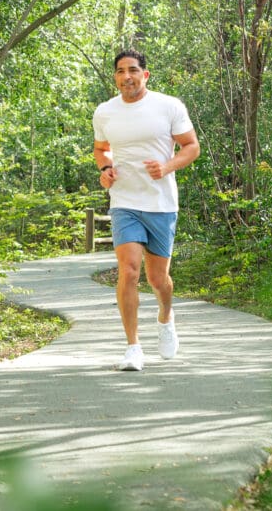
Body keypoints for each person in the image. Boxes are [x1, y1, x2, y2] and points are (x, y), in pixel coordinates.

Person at [92, 48, 200, 371]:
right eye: (121, 71)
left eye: (133, 70)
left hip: (161, 203)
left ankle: (166, 316)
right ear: (115, 77)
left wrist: (166, 168)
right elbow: (101, 150)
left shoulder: (168, 106)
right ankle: (133, 348)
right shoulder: (105, 112)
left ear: (145, 75)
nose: (127, 76)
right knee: (129, 271)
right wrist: (105, 169)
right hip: (124, 201)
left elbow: (191, 147)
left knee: (158, 279)